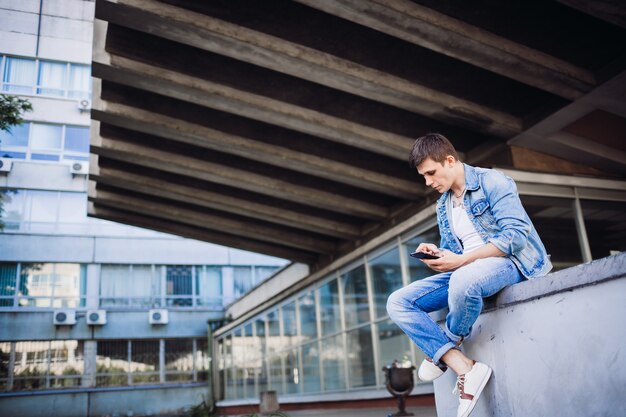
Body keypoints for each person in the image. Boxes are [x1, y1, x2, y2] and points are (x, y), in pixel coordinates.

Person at [386, 133, 552, 417]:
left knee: (464, 280)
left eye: (431, 173)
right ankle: (464, 367)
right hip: (467, 270)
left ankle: (447, 341)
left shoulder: (493, 182)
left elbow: (515, 237)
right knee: (397, 302)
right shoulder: (444, 204)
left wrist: (462, 261)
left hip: (511, 263)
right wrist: (438, 254)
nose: (428, 182)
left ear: (449, 160)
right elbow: (455, 251)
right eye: (423, 176)